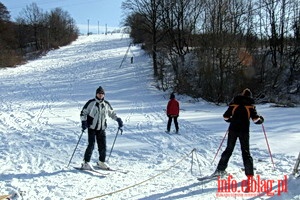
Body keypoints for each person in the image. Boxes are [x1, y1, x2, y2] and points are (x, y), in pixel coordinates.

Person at [213, 88, 264, 180]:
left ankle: (220, 170)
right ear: (249, 96)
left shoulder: (234, 104)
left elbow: (225, 117)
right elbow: (256, 119)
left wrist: (232, 120)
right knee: (245, 152)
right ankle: (249, 175)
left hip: (233, 130)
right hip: (244, 131)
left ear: (241, 95)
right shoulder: (250, 106)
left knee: (228, 149)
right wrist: (261, 120)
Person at [80, 86, 123, 170]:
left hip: (102, 128)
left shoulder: (106, 104)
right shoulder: (91, 103)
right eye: (99, 93)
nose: (100, 95)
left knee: (102, 146)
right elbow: (83, 113)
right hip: (92, 127)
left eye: (102, 94)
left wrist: (118, 119)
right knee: (91, 145)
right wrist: (84, 122)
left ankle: (101, 162)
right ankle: (85, 162)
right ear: (96, 94)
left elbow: (112, 113)